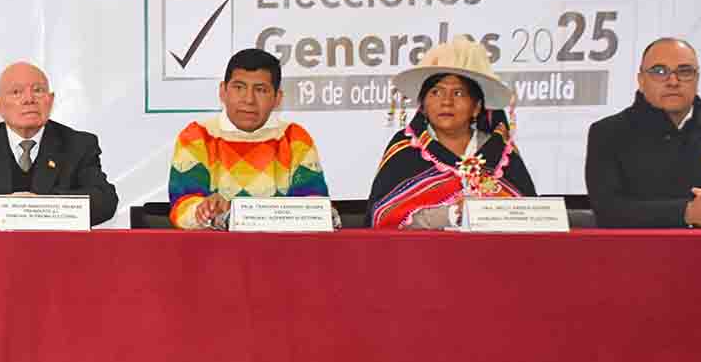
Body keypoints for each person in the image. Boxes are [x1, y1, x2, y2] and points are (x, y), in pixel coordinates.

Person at [366, 37, 536, 229]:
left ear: (476, 107)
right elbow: (382, 217)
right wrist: (451, 214)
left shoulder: (501, 151)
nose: (446, 101)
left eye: (458, 93)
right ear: (423, 104)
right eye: (436, 92)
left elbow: (530, 216)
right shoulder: (405, 149)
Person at [0, 61, 118, 228]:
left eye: (38, 90)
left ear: (51, 100)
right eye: (16, 92)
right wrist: (7, 211)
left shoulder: (78, 144)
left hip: (59, 252)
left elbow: (105, 200)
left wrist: (39, 207)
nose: (29, 99)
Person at [168, 48, 330, 230]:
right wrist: (203, 210)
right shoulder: (198, 136)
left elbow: (314, 207)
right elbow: (181, 207)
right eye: (239, 88)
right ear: (223, 91)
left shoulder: (294, 138)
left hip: (282, 247)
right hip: (215, 247)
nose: (249, 100)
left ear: (277, 98)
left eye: (260, 90)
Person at [585, 37, 701, 228]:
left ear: (697, 79)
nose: (673, 81)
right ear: (641, 81)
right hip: (635, 247)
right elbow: (608, 211)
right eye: (659, 71)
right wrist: (687, 212)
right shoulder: (607, 134)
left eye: (684, 71)